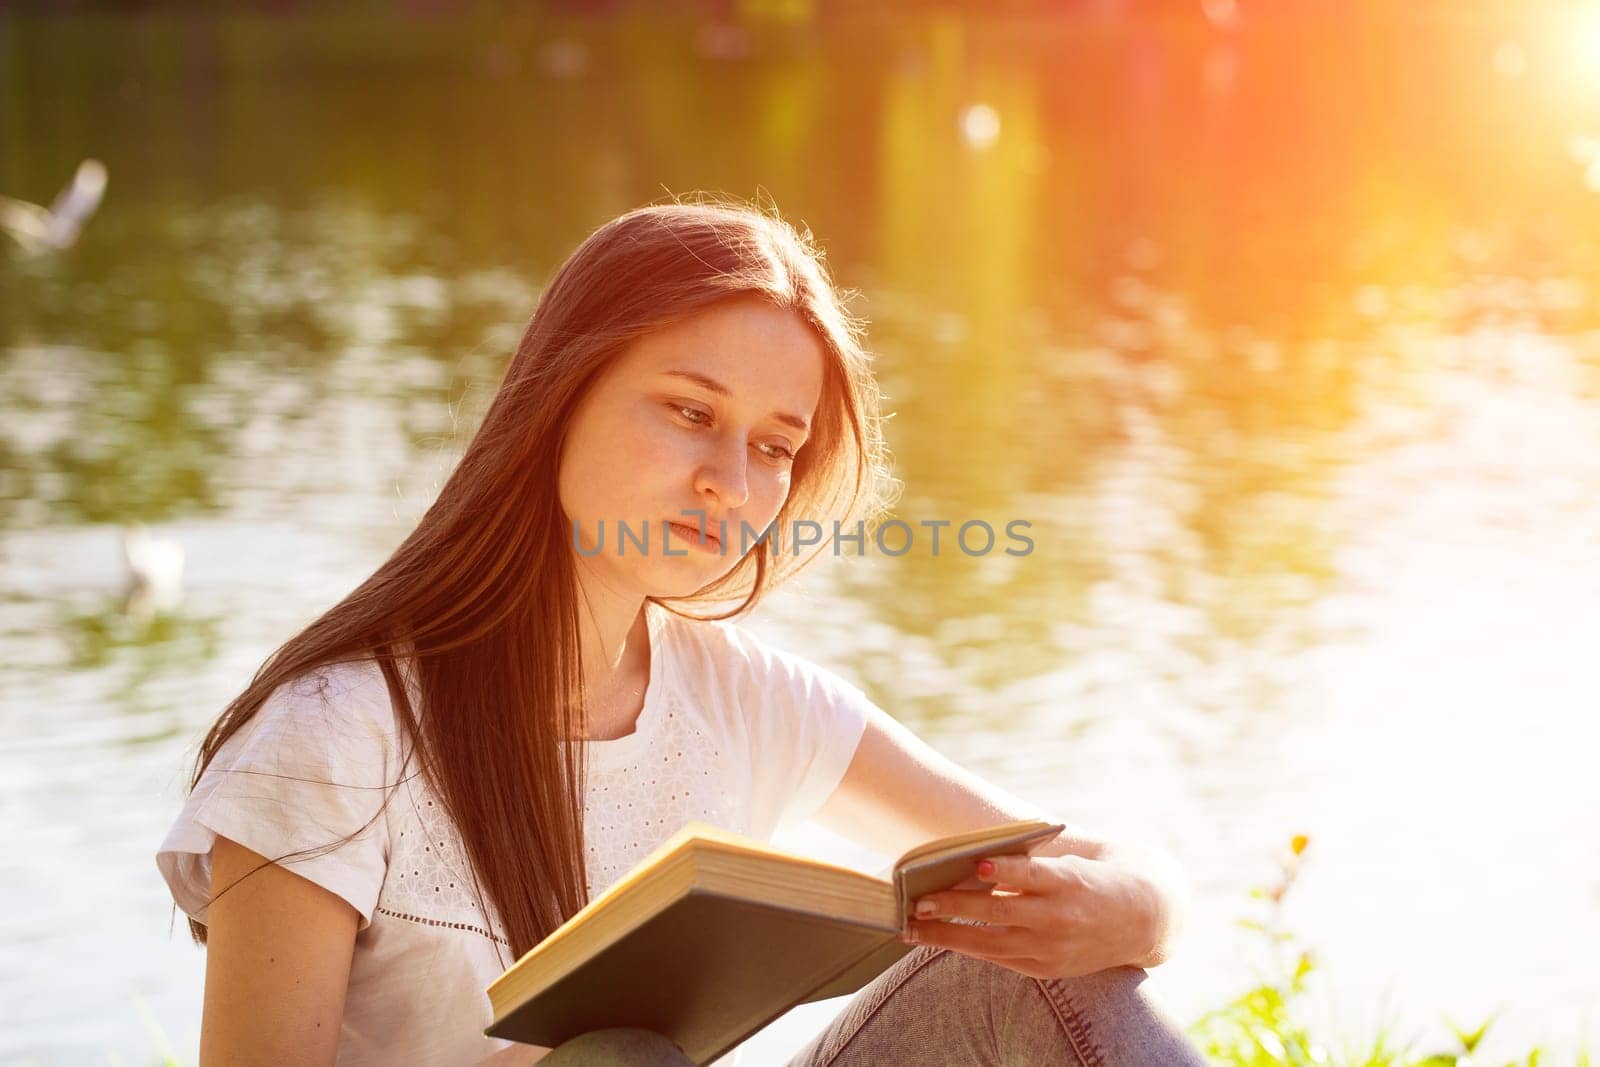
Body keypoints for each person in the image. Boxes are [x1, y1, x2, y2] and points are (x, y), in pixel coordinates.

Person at [156, 199, 1207, 1066]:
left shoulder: (749, 701)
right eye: (690, 412)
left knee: (1049, 976)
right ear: (562, 392)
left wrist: (1134, 908)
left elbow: (1074, 862)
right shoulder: (336, 737)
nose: (730, 481)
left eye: (774, 444)